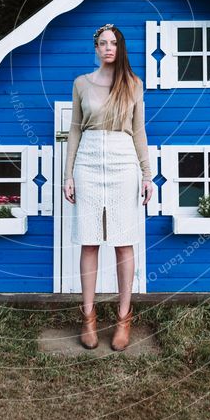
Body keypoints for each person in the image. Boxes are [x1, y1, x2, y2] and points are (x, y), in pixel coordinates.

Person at [62, 23, 153, 351]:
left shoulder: (133, 84)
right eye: (102, 43)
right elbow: (74, 130)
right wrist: (67, 174)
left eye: (113, 43)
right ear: (95, 47)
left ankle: (123, 319)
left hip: (122, 162)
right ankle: (88, 318)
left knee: (123, 241)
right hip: (87, 160)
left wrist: (147, 174)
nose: (108, 48)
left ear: (120, 47)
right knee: (89, 241)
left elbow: (139, 131)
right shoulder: (81, 84)